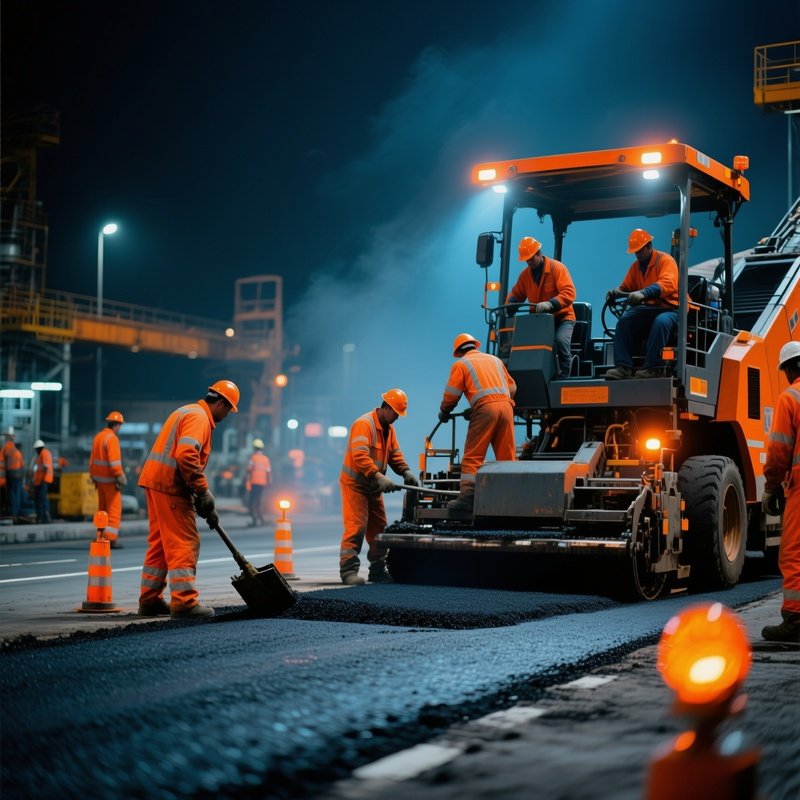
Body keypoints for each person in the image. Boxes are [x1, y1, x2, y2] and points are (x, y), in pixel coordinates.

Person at [137, 379, 239, 619]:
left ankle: (150, 600)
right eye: (228, 410)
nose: (227, 415)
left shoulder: (186, 410)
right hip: (169, 486)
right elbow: (186, 454)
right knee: (184, 542)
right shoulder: (199, 418)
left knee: (161, 544)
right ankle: (184, 602)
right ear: (222, 403)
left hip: (156, 482)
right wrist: (203, 491)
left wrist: (199, 495)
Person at [339, 388, 418, 586]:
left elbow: (394, 455)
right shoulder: (364, 425)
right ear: (386, 407)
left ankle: (377, 570)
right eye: (396, 414)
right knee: (356, 527)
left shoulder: (389, 429)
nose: (397, 418)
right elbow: (359, 456)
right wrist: (379, 476)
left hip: (373, 487)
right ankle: (348, 571)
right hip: (356, 484)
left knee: (379, 530)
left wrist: (405, 471)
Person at [439, 333, 517, 511]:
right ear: (475, 345)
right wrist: (487, 402)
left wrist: (444, 411)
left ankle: (468, 497)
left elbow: (452, 394)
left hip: (486, 410)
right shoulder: (495, 360)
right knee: (507, 455)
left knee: (474, 455)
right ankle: (511, 496)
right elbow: (512, 388)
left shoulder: (461, 364)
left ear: (458, 352)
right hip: (506, 407)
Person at [761, 341, 800, 643]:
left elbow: (778, 450)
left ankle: (795, 619)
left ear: (790, 368)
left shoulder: (791, 397)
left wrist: (772, 486)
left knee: (793, 553)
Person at [604, 228, 679, 380]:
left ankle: (653, 368)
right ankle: (623, 367)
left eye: (639, 250)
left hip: (672, 308)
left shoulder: (665, 261)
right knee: (625, 320)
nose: (637, 254)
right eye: (635, 252)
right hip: (649, 309)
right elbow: (626, 286)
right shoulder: (635, 267)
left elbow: (668, 283)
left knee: (661, 322)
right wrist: (616, 292)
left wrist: (644, 293)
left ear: (649, 246)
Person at [506, 236, 577, 379]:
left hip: (562, 318)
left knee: (560, 340)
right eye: (526, 260)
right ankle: (531, 376)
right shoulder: (525, 275)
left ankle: (564, 376)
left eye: (531, 258)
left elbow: (569, 293)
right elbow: (516, 292)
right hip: (539, 321)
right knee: (526, 344)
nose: (529, 262)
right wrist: (511, 303)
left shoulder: (557, 268)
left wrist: (551, 304)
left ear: (539, 253)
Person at [90, 411, 127, 549]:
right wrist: (120, 476)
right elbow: (114, 462)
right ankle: (110, 539)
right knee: (114, 509)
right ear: (117, 425)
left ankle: (100, 537)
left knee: (102, 510)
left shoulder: (98, 437)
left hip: (99, 481)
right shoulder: (112, 439)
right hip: (110, 481)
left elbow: (92, 460)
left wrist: (93, 476)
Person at [246, 438, 271, 527]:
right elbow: (268, 472)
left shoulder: (253, 458)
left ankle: (255, 521)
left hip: (254, 483)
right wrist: (268, 483)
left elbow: (249, 469)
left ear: (254, 448)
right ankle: (261, 520)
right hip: (263, 483)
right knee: (259, 501)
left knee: (252, 503)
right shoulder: (266, 459)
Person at [32, 439, 54, 523]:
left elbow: (45, 467)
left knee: (41, 499)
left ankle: (43, 517)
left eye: (36, 449)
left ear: (38, 448)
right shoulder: (45, 453)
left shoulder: (43, 453)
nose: (36, 451)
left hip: (43, 481)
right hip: (44, 480)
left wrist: (41, 480)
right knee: (41, 499)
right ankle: (43, 517)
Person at [6, 441, 25, 519]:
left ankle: (13, 512)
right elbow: (22, 465)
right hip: (17, 475)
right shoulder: (18, 453)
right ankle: (16, 512)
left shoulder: (8, 453)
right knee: (17, 493)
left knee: (12, 493)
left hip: (10, 474)